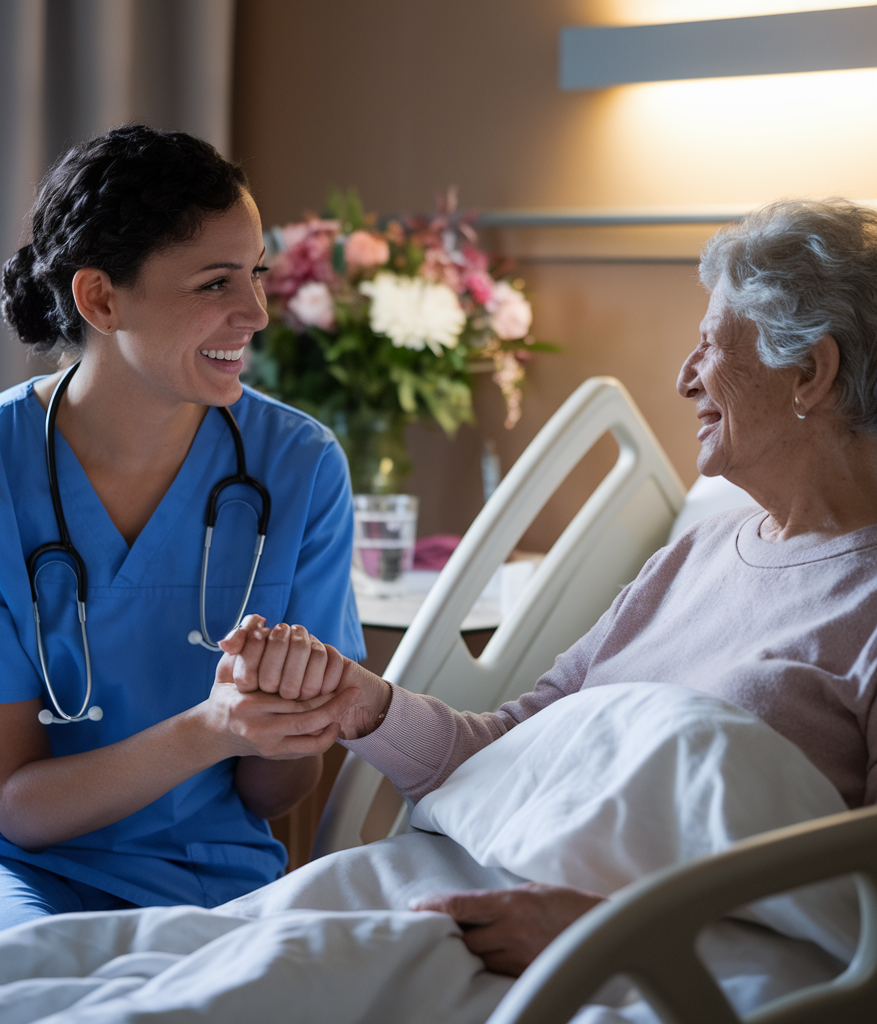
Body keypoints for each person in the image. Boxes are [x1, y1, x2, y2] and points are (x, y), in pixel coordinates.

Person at [225, 197, 877, 977]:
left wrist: (613, 935)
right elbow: (504, 759)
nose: (683, 379)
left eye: (710, 347)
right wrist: (364, 707)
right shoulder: (690, 559)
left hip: (618, 965)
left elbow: (857, 920)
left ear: (810, 370)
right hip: (461, 895)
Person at [0, 125, 366, 982]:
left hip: (204, 876)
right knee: (4, 986)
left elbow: (274, 795)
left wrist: (281, 723)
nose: (255, 314)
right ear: (99, 299)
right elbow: (18, 807)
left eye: (256, 276)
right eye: (215, 283)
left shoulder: (298, 466)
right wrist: (212, 728)